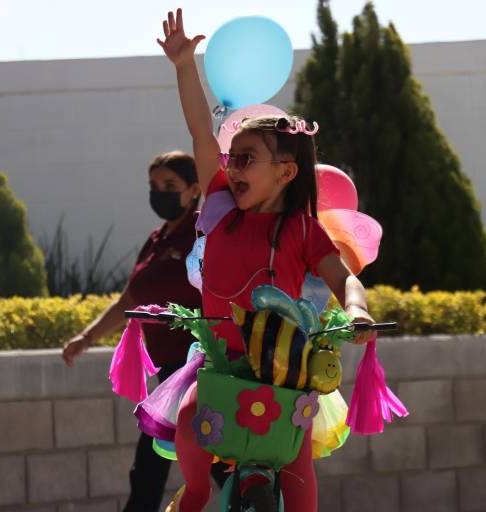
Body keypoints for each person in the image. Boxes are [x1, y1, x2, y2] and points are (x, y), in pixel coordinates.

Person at [156, 9, 376, 512]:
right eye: (231, 158)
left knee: (296, 463)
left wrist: (357, 311)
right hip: (222, 364)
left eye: (247, 158)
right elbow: (200, 130)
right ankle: (196, 493)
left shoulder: (301, 229)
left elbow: (343, 278)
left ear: (285, 172)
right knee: (190, 420)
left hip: (281, 370)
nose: (232, 167)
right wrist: (184, 66)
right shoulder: (220, 206)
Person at [62, 151, 226, 512]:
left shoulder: (202, 232)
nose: (159, 192)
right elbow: (129, 299)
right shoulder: (157, 238)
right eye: (154, 185)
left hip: (200, 371)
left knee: (208, 460)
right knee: (161, 465)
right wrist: (86, 338)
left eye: (170, 185)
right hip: (168, 374)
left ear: (194, 189)